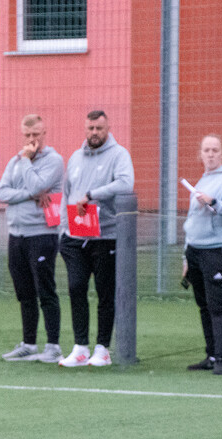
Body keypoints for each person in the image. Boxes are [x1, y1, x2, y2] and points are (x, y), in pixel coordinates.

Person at [57, 110, 135, 368]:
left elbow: (126, 183)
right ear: (85, 128)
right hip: (75, 237)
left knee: (105, 293)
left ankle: (102, 348)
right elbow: (67, 193)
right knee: (76, 288)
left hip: (106, 236)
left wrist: (93, 194)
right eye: (90, 128)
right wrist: (62, 229)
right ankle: (80, 347)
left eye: (99, 129)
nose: (94, 133)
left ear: (108, 128)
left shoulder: (119, 155)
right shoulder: (76, 158)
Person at [0, 114, 64, 363]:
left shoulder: (53, 161)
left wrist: (26, 162)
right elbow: (1, 192)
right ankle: (28, 344)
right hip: (17, 234)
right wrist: (29, 195)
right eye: (27, 135)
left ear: (44, 134)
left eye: (36, 134)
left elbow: (39, 186)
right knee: (24, 292)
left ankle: (53, 346)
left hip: (42, 234)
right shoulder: (15, 162)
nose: (31, 140)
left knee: (45, 290)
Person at [182, 134, 222, 376]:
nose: (210, 154)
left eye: (214, 150)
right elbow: (191, 219)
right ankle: (210, 354)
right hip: (196, 251)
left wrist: (214, 202)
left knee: (218, 305)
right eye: (206, 150)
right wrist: (186, 258)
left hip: (218, 251)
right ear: (201, 154)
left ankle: (221, 357)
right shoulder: (202, 180)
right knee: (204, 305)